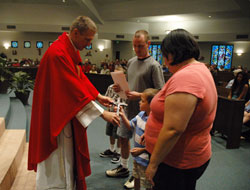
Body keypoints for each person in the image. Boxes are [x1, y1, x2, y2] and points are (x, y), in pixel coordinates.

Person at [28, 16, 120, 190]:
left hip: (62, 111)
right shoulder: (58, 53)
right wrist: (102, 113)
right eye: (87, 40)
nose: (88, 45)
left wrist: (97, 95)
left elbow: (78, 77)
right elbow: (71, 90)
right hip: (56, 115)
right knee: (58, 163)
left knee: (68, 160)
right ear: (75, 33)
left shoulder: (67, 49)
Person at [145, 29, 218, 190]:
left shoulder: (187, 77)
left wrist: (153, 164)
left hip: (175, 162)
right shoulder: (198, 69)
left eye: (164, 56)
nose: (164, 62)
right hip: (181, 157)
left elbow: (173, 129)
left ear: (172, 55)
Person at [106, 30, 165, 189]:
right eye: (135, 46)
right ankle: (124, 168)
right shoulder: (131, 61)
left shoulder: (154, 65)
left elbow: (160, 93)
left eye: (140, 46)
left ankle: (136, 173)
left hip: (145, 113)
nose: (137, 49)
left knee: (141, 144)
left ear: (148, 44)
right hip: (128, 107)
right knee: (123, 137)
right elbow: (129, 85)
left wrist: (139, 95)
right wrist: (120, 87)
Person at [119, 88, 159, 190]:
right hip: (136, 157)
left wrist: (141, 150)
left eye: (142, 101)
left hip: (147, 160)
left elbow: (156, 144)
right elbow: (130, 126)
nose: (139, 102)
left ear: (151, 104)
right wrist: (123, 115)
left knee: (147, 183)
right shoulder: (141, 115)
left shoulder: (154, 122)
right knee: (136, 177)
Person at [99, 66, 127, 164]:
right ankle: (111, 149)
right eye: (114, 75)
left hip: (120, 116)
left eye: (119, 75)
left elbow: (127, 101)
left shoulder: (126, 88)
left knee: (119, 134)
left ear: (123, 76)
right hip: (111, 114)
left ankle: (118, 152)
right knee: (110, 132)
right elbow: (106, 98)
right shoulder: (110, 87)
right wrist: (107, 110)